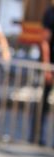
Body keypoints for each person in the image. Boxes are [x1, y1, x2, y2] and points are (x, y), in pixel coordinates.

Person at [37, 1, 54, 145]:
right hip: (50, 66)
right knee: (44, 103)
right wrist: (47, 66)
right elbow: (44, 41)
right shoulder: (50, 13)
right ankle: (37, 136)